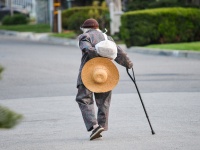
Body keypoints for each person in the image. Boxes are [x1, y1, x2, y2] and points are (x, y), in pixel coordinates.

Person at [76, 18, 133, 140]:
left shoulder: (84, 36)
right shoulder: (107, 38)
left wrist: (96, 53)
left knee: (83, 99)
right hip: (106, 73)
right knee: (104, 101)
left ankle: (94, 126)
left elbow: (86, 49)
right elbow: (119, 53)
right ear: (97, 28)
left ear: (85, 28)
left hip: (89, 72)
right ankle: (101, 125)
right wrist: (128, 64)